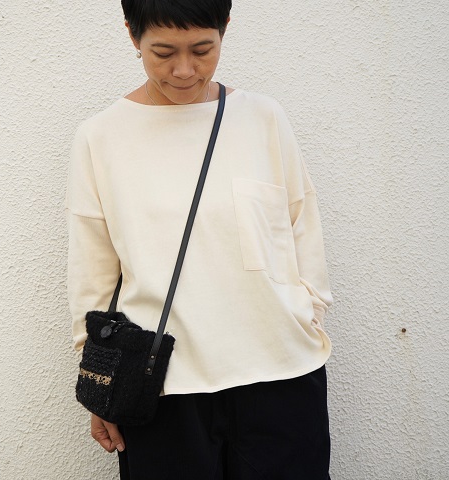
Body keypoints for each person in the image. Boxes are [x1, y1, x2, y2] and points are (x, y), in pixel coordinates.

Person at [66, 0, 333, 478]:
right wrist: (100, 382)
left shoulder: (263, 118)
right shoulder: (100, 137)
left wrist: (307, 313)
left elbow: (301, 225)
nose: (185, 70)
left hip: (282, 374)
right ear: (132, 35)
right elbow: (93, 269)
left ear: (225, 27)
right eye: (163, 52)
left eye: (203, 49)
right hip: (163, 386)